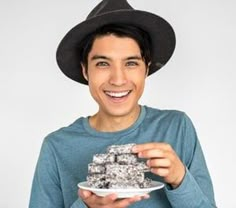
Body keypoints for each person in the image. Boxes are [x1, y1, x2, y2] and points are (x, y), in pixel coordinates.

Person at [29, 0, 216, 207]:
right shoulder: (56, 147)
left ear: (146, 69)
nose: (118, 79)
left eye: (131, 63)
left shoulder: (177, 127)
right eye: (102, 63)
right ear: (85, 70)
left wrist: (180, 179)